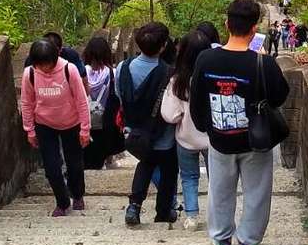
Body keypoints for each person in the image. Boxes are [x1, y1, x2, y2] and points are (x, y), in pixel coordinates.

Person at [190, 0, 289, 245]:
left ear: (227, 24)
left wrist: (206, 128)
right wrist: (265, 62)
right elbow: (279, 96)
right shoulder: (262, 62)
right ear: (254, 29)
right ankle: (249, 240)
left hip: (220, 137)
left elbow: (197, 98)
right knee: (256, 192)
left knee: (220, 190)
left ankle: (221, 238)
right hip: (256, 140)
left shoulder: (206, 59)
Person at [115, 22, 178, 227]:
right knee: (168, 169)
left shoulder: (122, 68)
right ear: (163, 47)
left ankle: (134, 206)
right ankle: (163, 211)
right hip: (162, 133)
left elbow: (119, 95)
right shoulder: (169, 73)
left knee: (146, 163)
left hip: (134, 132)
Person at [21, 37, 90, 217]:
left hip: (71, 123)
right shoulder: (30, 74)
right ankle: (62, 202)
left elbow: (82, 101)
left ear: (56, 57)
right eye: (40, 65)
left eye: (47, 64)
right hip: (44, 124)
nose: (44, 68)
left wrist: (85, 129)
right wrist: (29, 129)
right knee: (51, 168)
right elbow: (27, 102)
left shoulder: (69, 69)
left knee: (74, 163)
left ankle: (77, 195)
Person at [161, 28, 211, 231]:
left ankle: (191, 216)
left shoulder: (178, 80)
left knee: (189, 177)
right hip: (212, 138)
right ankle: (219, 215)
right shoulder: (212, 77)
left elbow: (171, 115)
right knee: (216, 177)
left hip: (186, 138)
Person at [82, 35, 120, 170]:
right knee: (104, 143)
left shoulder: (82, 71)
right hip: (105, 119)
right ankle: (107, 161)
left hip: (86, 118)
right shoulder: (112, 73)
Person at [25, 31, 90, 96]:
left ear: (60, 50)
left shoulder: (71, 56)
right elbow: (28, 87)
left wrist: (85, 97)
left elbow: (83, 76)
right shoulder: (32, 59)